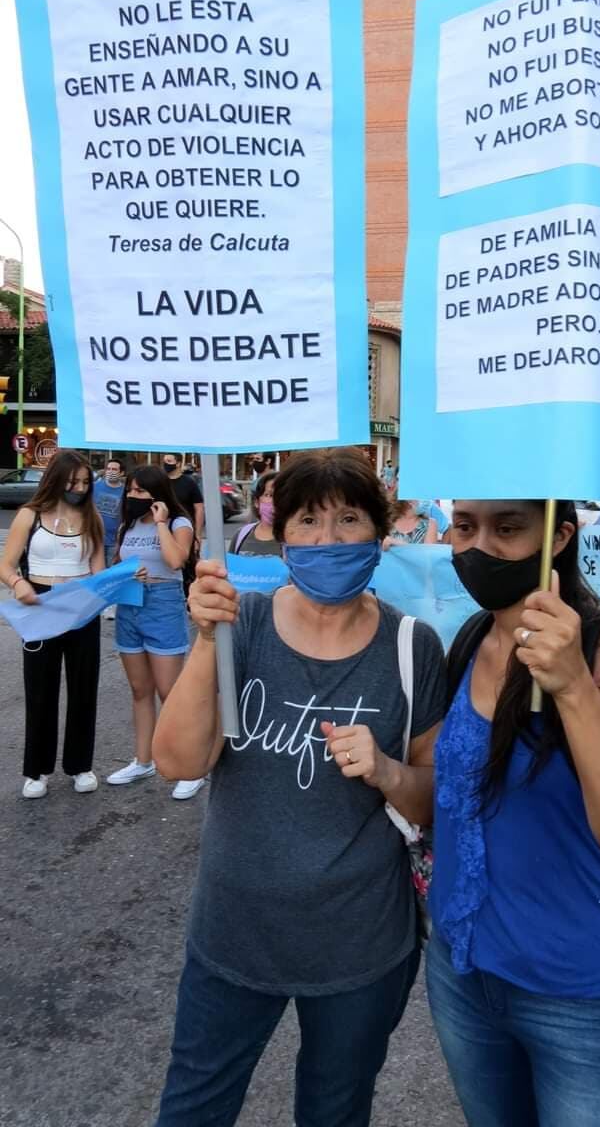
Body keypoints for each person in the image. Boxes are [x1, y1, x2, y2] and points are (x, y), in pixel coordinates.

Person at [151, 448, 446, 1127]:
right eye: (309, 520)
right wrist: (204, 642)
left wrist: (387, 770)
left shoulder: (412, 648)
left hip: (361, 946)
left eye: (349, 519)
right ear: (281, 534)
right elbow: (176, 762)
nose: (328, 538)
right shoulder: (240, 626)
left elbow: (431, 799)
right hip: (233, 933)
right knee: (193, 1106)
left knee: (336, 1111)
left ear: (381, 531)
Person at [426, 498, 600, 1127]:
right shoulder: (472, 636)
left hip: (578, 992)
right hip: (462, 972)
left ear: (559, 535)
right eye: (465, 527)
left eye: (507, 529)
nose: (480, 547)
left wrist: (573, 687)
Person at [0, 450, 105, 798]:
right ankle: (36, 770)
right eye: (73, 481)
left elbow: (98, 572)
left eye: (85, 482)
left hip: (81, 606)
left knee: (84, 687)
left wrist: (123, 577)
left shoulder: (92, 519)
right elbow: (6, 565)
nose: (79, 487)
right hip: (41, 603)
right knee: (40, 689)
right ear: (56, 479)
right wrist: (19, 584)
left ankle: (80, 765)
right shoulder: (29, 516)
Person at [107, 466, 202, 801]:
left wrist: (161, 523)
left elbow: (177, 560)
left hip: (162, 606)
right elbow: (117, 564)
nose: (133, 497)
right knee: (139, 690)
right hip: (130, 606)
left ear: (158, 495)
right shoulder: (127, 525)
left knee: (170, 693)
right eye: (130, 491)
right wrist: (127, 573)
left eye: (141, 492)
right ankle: (143, 760)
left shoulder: (179, 523)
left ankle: (191, 766)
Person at [93, 457, 125, 620]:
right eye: (109, 469)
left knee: (112, 573)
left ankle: (110, 606)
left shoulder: (124, 492)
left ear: (121, 473)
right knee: (98, 573)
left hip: (114, 539)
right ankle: (97, 604)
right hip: (95, 538)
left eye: (115, 470)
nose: (111, 472)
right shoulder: (95, 487)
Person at [228, 470, 282, 556]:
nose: (275, 501)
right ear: (257, 502)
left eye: (280, 495)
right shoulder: (241, 535)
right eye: (269, 495)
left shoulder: (295, 539)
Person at [161, 454, 204, 535]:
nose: (165, 464)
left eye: (169, 461)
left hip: (185, 529)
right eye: (164, 461)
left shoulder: (189, 483)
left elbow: (199, 508)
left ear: (178, 464)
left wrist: (198, 534)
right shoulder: (160, 482)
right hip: (163, 529)